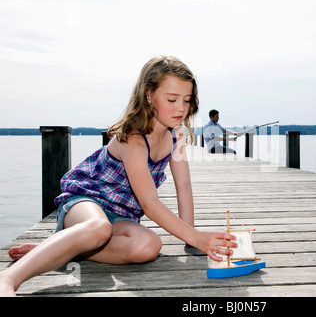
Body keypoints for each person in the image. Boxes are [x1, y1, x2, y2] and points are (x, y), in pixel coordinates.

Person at [0, 56, 237, 297]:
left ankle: (61, 250)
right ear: (148, 95)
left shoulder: (177, 136)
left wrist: (191, 237)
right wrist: (197, 238)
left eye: (186, 100)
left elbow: (184, 185)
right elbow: (150, 204)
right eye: (172, 99)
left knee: (149, 246)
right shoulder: (133, 138)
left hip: (122, 217)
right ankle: (9, 278)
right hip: (85, 202)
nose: (181, 108)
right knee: (98, 227)